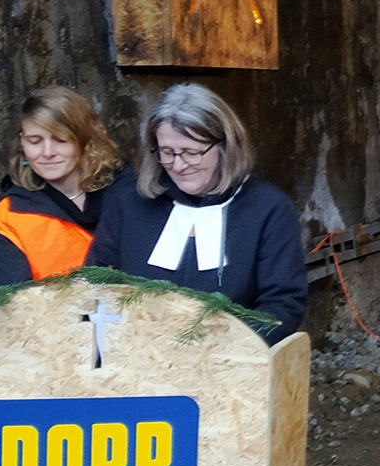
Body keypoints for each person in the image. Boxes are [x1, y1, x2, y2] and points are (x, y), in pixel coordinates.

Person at [87, 83, 308, 343]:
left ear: (225, 146)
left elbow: (282, 305)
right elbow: (96, 282)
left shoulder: (268, 208)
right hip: (136, 360)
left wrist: (220, 348)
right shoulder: (127, 203)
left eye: (191, 153)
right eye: (167, 153)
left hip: (231, 362)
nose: (178, 165)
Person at [0, 86, 125, 288]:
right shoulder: (7, 221)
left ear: (85, 140)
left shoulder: (128, 193)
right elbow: (10, 310)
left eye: (60, 139)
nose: (47, 152)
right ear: (22, 142)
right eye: (35, 141)